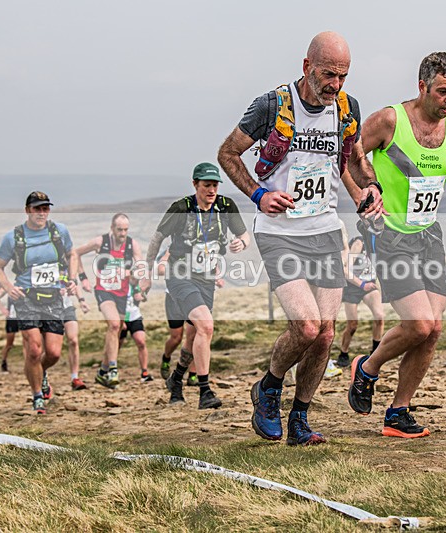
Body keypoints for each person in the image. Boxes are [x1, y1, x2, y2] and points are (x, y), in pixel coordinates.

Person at [217, 31, 383, 445]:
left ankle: (299, 419)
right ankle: (269, 387)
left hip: (325, 230)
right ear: (307, 66)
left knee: (326, 334)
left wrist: (370, 188)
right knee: (306, 327)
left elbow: (354, 158)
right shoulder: (272, 106)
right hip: (279, 233)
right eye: (328, 74)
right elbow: (227, 153)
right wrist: (259, 194)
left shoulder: (346, 108)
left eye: (343, 76)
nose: (335, 85)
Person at [348, 52, 446, 438]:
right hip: (389, 234)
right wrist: (365, 193)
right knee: (418, 324)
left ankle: (398, 412)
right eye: (442, 91)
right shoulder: (390, 121)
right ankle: (367, 368)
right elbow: (348, 156)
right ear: (422, 87)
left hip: (429, 235)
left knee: (432, 330)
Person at [142, 162, 250, 410]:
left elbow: (244, 235)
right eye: (206, 185)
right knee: (206, 326)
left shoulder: (225, 206)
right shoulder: (181, 208)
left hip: (206, 279)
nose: (211, 190)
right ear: (195, 185)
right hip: (179, 275)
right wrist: (147, 272)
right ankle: (205, 391)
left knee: (193, 336)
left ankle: (176, 380)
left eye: (215, 186)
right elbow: (157, 239)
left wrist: (242, 243)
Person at [0, 191, 78, 414]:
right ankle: (37, 395)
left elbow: (73, 254)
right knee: (33, 349)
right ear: (27, 210)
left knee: (54, 353)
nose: (41, 213)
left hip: (53, 297)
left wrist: (72, 279)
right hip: (26, 298)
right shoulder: (14, 237)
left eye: (45, 208)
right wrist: (9, 288)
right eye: (37, 208)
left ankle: (40, 372)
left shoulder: (59, 231)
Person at [75, 213, 144, 389]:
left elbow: (140, 269)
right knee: (114, 324)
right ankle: (113, 369)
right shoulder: (101, 242)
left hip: (122, 293)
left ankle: (102, 371)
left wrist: (133, 275)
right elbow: (75, 253)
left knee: (117, 329)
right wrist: (83, 277)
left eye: (126, 230)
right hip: (104, 291)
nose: (123, 233)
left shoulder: (133, 245)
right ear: (112, 228)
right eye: (119, 229)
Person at [336, 224, 385, 369]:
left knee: (379, 316)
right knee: (352, 325)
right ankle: (343, 353)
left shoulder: (381, 246)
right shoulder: (359, 243)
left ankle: (376, 352)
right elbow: (345, 270)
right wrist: (362, 284)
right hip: (353, 287)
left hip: (369, 285)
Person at [156, 249, 198, 385]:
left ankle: (193, 375)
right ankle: (166, 358)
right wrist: (165, 267)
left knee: (196, 335)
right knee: (176, 337)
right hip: (174, 298)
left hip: (194, 296)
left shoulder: (199, 247)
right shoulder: (172, 248)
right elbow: (160, 269)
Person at [118, 285, 153, 382]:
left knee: (141, 342)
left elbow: (143, 297)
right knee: (117, 344)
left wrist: (142, 296)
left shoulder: (135, 284)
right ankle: (110, 369)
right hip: (121, 318)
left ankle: (144, 372)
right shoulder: (118, 284)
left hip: (135, 317)